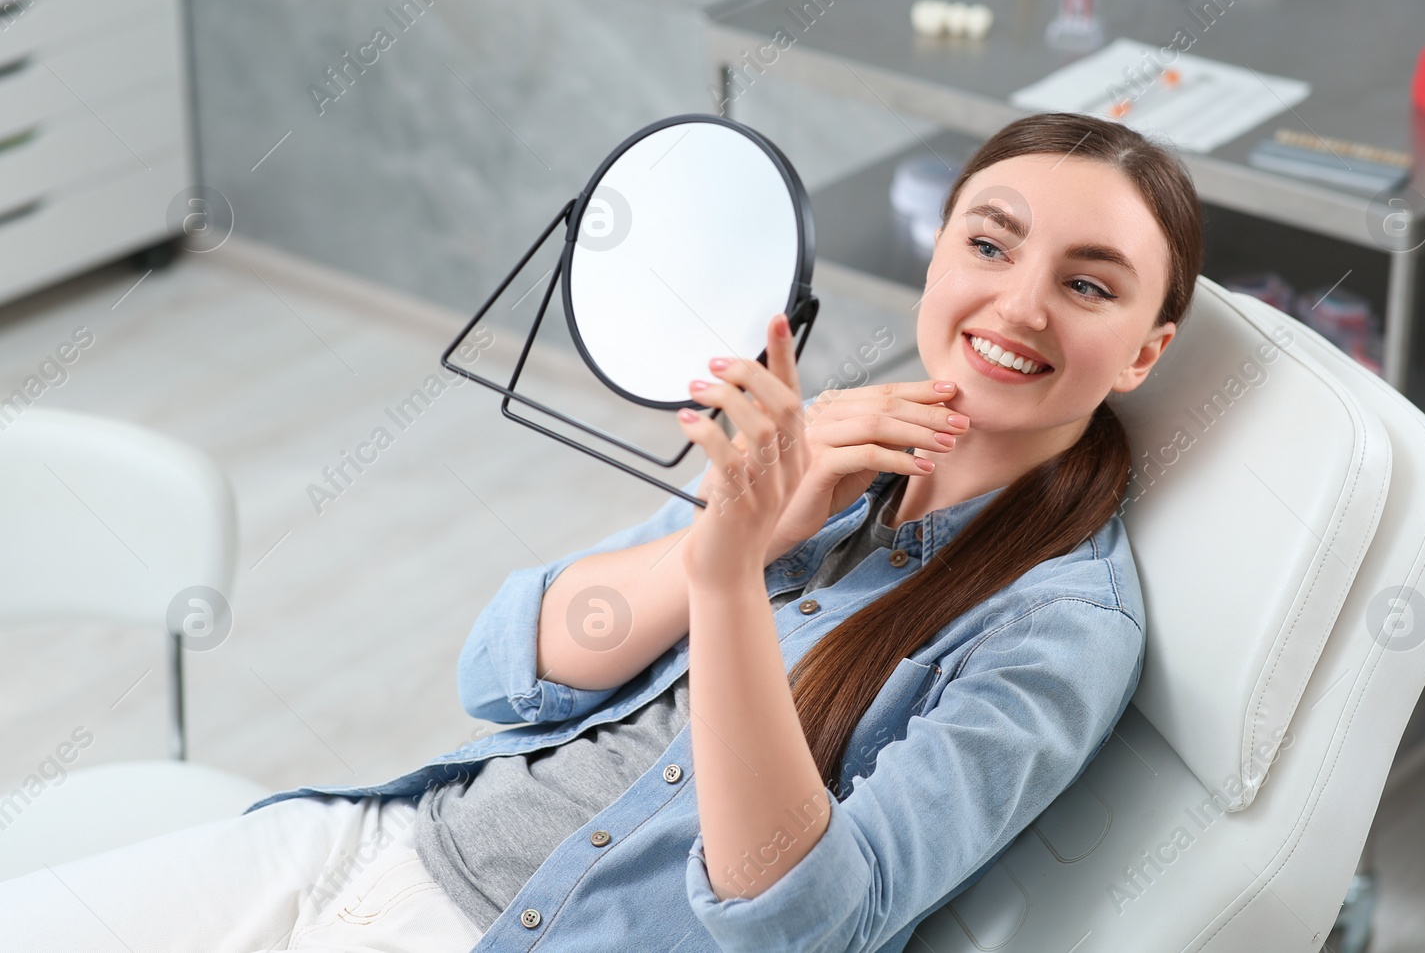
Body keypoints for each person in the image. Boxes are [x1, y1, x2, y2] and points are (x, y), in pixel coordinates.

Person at [0, 112, 1203, 952]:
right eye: (988, 243)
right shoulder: (834, 443)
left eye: (1089, 284)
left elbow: (804, 918)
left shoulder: (1057, 625)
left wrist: (735, 577)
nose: (1018, 301)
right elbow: (504, 663)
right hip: (376, 842)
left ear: (1146, 349)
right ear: (940, 255)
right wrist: (735, 533)